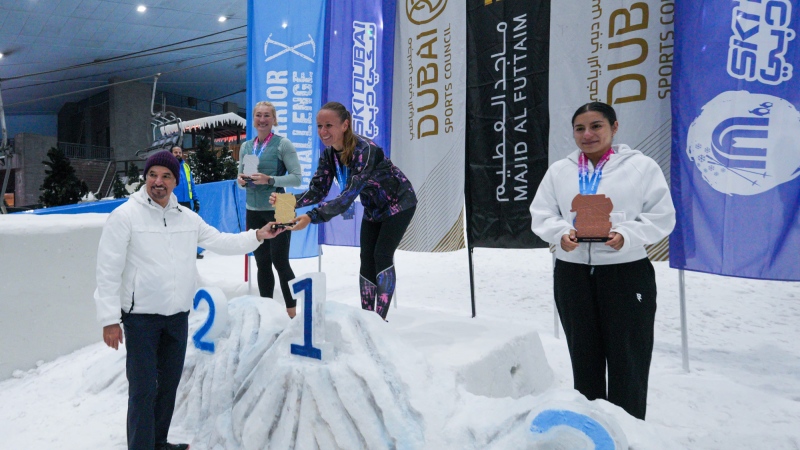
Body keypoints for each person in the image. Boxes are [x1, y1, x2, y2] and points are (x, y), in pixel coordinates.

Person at [94, 150, 285, 450]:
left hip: (177, 317)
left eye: (166, 176)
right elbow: (107, 270)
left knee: (168, 386)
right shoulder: (125, 216)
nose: (159, 181)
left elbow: (221, 241)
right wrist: (108, 319)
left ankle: (158, 442)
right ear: (145, 177)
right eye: (153, 175)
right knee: (143, 390)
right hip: (141, 318)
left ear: (175, 180)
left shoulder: (186, 217)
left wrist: (257, 235)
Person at [529, 102, 675, 420]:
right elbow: (540, 213)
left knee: (628, 359)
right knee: (584, 358)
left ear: (614, 127)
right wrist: (559, 233)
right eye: (580, 128)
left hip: (625, 272)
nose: (588, 134)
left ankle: (628, 431)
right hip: (572, 273)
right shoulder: (560, 171)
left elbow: (662, 216)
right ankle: (590, 430)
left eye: (596, 126)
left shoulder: (641, 167)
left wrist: (627, 234)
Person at [276, 101, 417, 320]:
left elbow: (347, 197)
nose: (323, 132)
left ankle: (379, 321)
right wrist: (286, 202)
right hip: (373, 209)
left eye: (329, 125)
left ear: (345, 125)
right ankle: (367, 318)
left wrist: (311, 217)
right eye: (319, 126)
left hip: (399, 204)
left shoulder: (366, 151)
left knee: (381, 255)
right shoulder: (328, 155)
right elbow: (318, 190)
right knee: (366, 258)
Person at [237, 101, 302, 318]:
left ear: (274, 119)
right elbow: (242, 177)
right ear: (253, 119)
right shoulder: (247, 146)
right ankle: (267, 314)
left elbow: (296, 178)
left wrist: (270, 179)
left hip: (281, 204)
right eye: (258, 115)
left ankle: (292, 313)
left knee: (280, 262)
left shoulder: (284, 144)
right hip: (253, 207)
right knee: (261, 262)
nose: (262, 119)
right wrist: (241, 181)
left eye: (267, 115)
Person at [171, 145, 203, 259]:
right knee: (175, 229)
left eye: (179, 152)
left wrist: (195, 200)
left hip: (187, 202)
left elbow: (191, 185)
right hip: (174, 203)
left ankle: (192, 251)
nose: (178, 154)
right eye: (175, 152)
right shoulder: (169, 167)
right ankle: (176, 253)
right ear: (171, 154)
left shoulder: (186, 167)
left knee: (190, 228)